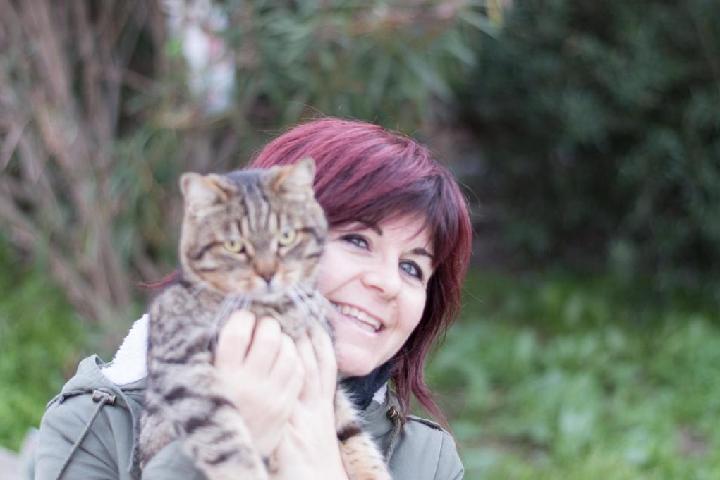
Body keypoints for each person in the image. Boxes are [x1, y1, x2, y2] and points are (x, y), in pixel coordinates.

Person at [33, 117, 472, 479]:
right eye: (358, 241)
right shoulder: (96, 423)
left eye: (412, 267)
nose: (387, 283)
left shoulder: (429, 461)